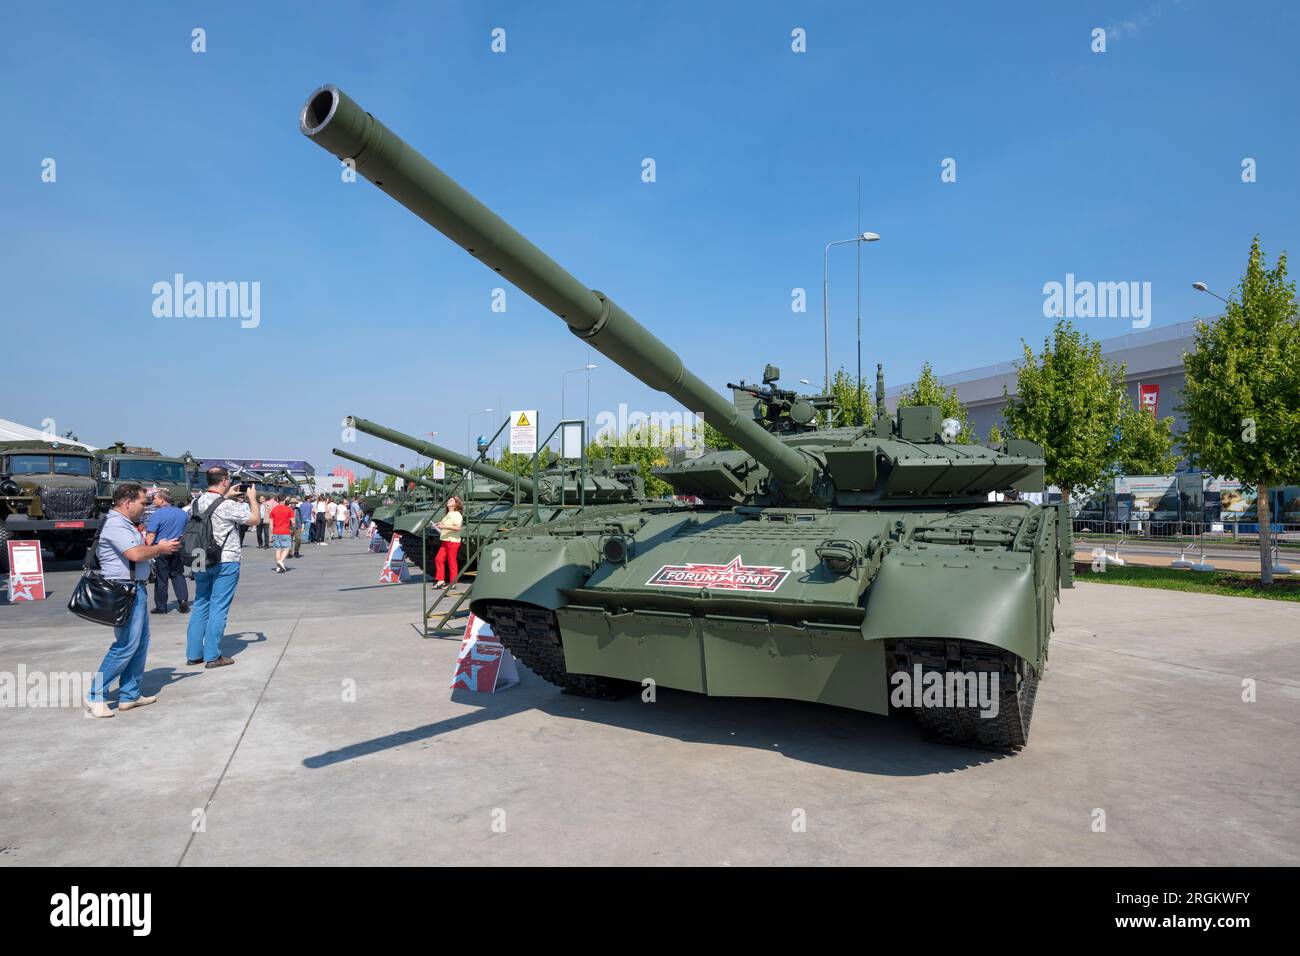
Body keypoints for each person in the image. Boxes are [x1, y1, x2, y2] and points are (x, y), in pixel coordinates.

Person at [84, 483, 182, 718]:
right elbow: (135, 554)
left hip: (134, 590)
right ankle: (94, 694)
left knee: (139, 643)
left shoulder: (125, 524)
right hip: (123, 590)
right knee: (126, 645)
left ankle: (129, 694)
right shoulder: (116, 524)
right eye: (142, 503)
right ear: (128, 503)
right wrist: (160, 548)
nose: (145, 507)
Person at [186, 467, 259, 669]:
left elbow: (211, 507)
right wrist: (252, 498)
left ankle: (193, 654)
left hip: (200, 557)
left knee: (201, 604)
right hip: (225, 559)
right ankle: (212, 656)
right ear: (225, 480)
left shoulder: (195, 502)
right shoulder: (227, 505)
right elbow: (254, 519)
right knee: (218, 607)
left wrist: (227, 494)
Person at [144, 487, 190, 614]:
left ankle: (161, 606)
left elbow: (151, 534)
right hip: (177, 546)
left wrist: (146, 550)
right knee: (177, 574)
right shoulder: (182, 513)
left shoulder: (157, 514)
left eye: (155, 498)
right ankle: (183, 601)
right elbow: (187, 531)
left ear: (162, 499)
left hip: (161, 548)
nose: (153, 500)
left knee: (161, 577)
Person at [432, 496, 465, 590]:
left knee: (452, 562)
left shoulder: (456, 514)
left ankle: (453, 583)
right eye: (449, 500)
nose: (449, 501)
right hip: (445, 540)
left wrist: (444, 526)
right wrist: (439, 525)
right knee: (438, 559)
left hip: (452, 541)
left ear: (456, 504)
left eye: (451, 500)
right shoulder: (448, 514)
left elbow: (458, 528)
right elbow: (446, 526)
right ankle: (440, 580)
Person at [269, 494, 294, 572]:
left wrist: (271, 534)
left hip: (276, 531)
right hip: (285, 531)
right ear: (284, 500)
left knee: (278, 549)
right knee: (287, 548)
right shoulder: (289, 510)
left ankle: (278, 567)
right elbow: (293, 522)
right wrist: (293, 528)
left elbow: (271, 523)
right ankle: (280, 561)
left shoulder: (273, 510)